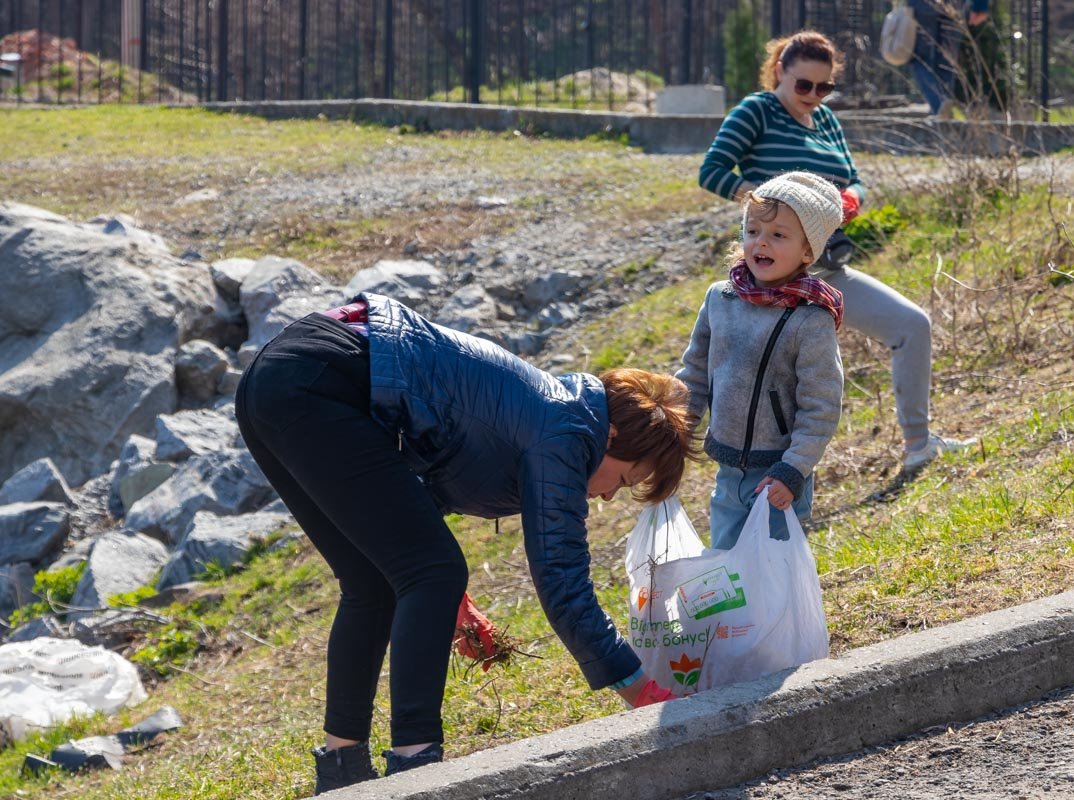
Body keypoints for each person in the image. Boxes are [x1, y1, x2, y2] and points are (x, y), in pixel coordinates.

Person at [234, 293, 698, 794]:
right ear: (610, 438)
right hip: (319, 380)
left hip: (276, 379)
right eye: (624, 480)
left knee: (373, 581)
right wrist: (637, 687)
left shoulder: (546, 414)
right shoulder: (565, 431)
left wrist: (454, 604)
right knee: (433, 572)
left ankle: (342, 772)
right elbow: (562, 579)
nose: (607, 494)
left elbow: (408, 500)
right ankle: (417, 768)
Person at [699, 29, 975, 476]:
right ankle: (753, 486)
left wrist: (852, 200)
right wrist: (773, 206)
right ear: (778, 73)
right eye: (803, 85)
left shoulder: (826, 119)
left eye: (823, 86)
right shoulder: (757, 110)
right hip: (771, 281)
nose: (813, 95)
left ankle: (919, 444)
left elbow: (855, 178)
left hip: (825, 270)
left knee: (911, 325)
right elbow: (711, 171)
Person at [677, 171, 844, 549]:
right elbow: (695, 374)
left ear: (808, 251)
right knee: (727, 567)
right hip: (728, 471)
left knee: (772, 573)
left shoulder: (811, 318)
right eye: (752, 231)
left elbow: (821, 406)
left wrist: (794, 469)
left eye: (778, 235)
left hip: (778, 478)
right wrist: (675, 429)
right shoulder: (721, 299)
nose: (760, 243)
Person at [909, 0, 990, 118]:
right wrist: (980, 6)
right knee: (947, 60)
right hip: (955, 5)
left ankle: (939, 105)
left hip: (923, 5)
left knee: (919, 58)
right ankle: (944, 108)